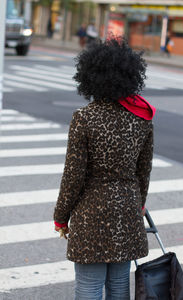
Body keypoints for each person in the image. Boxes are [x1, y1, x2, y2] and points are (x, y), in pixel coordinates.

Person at [53, 37, 156, 300]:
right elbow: (144, 172)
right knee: (119, 284)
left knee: (89, 286)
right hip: (127, 211)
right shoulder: (142, 119)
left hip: (91, 213)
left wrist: (61, 217)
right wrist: (139, 204)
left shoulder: (84, 118)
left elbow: (73, 175)